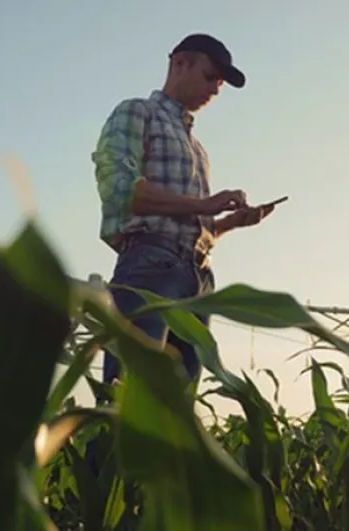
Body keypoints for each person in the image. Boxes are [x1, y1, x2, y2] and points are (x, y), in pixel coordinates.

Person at [91, 33, 277, 393]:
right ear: (180, 63)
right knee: (127, 400)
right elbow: (119, 191)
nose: (216, 90)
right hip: (150, 267)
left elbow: (187, 225)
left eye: (221, 83)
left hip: (197, 277)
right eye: (211, 77)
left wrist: (226, 224)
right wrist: (203, 205)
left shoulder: (196, 147)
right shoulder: (136, 113)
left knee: (176, 416)